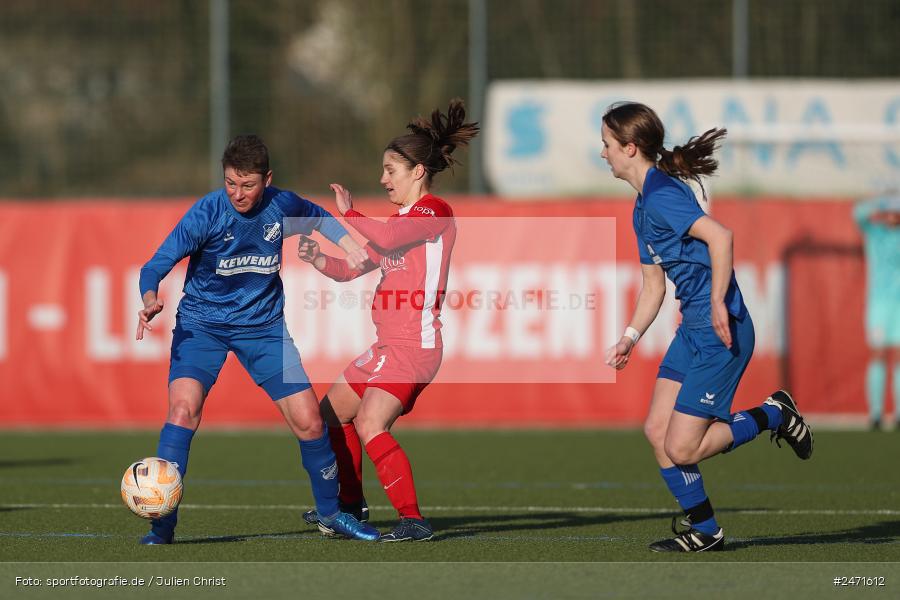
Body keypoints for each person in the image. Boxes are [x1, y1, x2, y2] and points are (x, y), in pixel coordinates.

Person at [135, 134, 380, 544]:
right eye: (230, 182)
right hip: (202, 327)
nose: (237, 193)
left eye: (247, 185)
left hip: (264, 329)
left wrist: (349, 244)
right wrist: (149, 298)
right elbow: (155, 265)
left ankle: (331, 514)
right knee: (182, 411)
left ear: (267, 180)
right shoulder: (207, 213)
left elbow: (319, 216)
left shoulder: (281, 205)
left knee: (309, 420)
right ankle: (162, 524)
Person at [601, 102, 813, 552]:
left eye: (607, 144)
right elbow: (653, 286)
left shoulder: (661, 196)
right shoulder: (642, 206)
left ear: (630, 148)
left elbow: (721, 237)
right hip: (693, 329)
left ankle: (775, 414)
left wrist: (718, 300)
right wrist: (629, 337)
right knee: (657, 432)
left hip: (721, 329)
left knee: (683, 448)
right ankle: (706, 530)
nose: (603, 153)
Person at [296, 99, 479, 542]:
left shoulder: (434, 212)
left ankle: (413, 520)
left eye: (391, 170)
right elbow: (352, 268)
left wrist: (349, 213)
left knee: (370, 424)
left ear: (418, 172)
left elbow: (388, 235)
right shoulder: (403, 220)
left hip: (414, 347)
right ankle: (350, 506)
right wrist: (320, 257)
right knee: (331, 414)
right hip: (388, 348)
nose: (383, 179)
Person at [853, 197, 900, 431]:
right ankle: (876, 413)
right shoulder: (875, 233)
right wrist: (882, 202)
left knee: (899, 355)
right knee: (878, 354)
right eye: (890, 211)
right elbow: (858, 214)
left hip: (898, 305)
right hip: (879, 305)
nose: (892, 215)